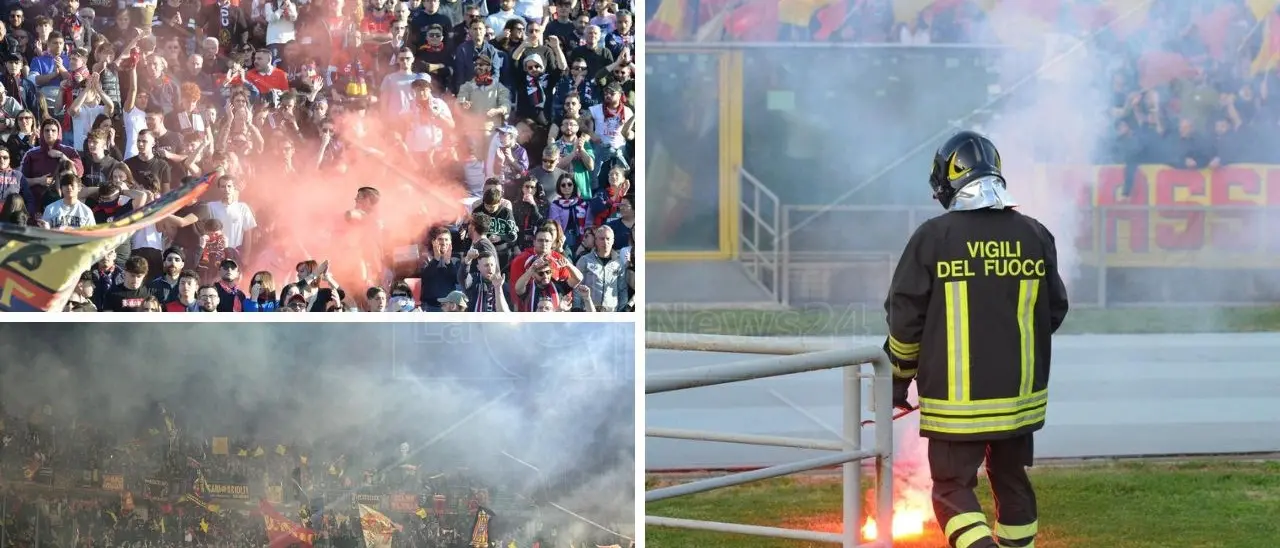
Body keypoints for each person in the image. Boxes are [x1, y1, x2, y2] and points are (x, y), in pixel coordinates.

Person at [882, 131, 1069, 548]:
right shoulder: (1035, 234)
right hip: (1020, 400)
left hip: (956, 402)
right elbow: (1053, 310)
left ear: (948, 180)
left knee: (951, 488)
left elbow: (905, 321)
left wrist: (898, 379)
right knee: (1011, 481)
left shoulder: (934, 238)